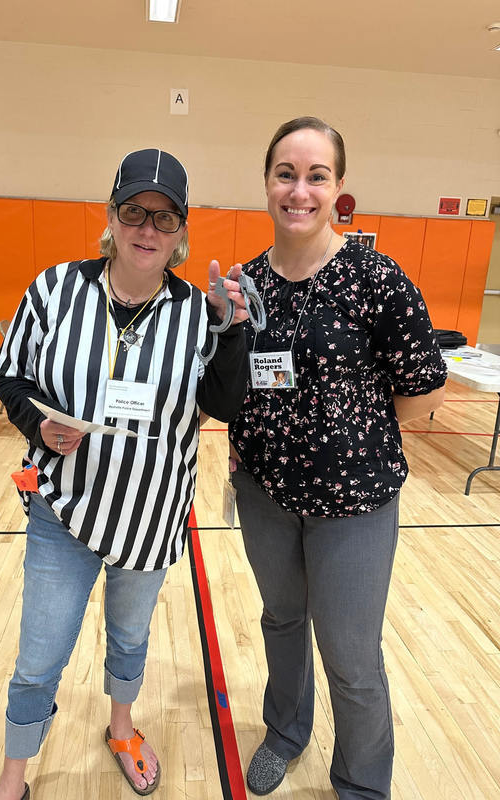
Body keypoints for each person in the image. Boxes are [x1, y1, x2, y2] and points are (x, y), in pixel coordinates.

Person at [0, 148, 249, 800]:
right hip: (65, 506)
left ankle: (122, 726)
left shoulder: (197, 312)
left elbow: (223, 402)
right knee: (39, 655)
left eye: (165, 218)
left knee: (129, 636)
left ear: (181, 230)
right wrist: (38, 426)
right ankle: (12, 781)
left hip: (150, 512)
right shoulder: (54, 289)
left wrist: (232, 332)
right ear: (111, 215)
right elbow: (12, 376)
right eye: (134, 211)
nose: (147, 229)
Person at [228, 117, 447, 798]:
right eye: (285, 174)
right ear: (267, 183)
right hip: (265, 492)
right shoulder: (248, 283)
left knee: (351, 657)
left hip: (355, 504)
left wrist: (358, 435)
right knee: (281, 620)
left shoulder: (375, 278)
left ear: (338, 187)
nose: (299, 190)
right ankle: (286, 731)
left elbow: (424, 387)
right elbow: (239, 383)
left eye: (316, 176)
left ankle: (361, 784)